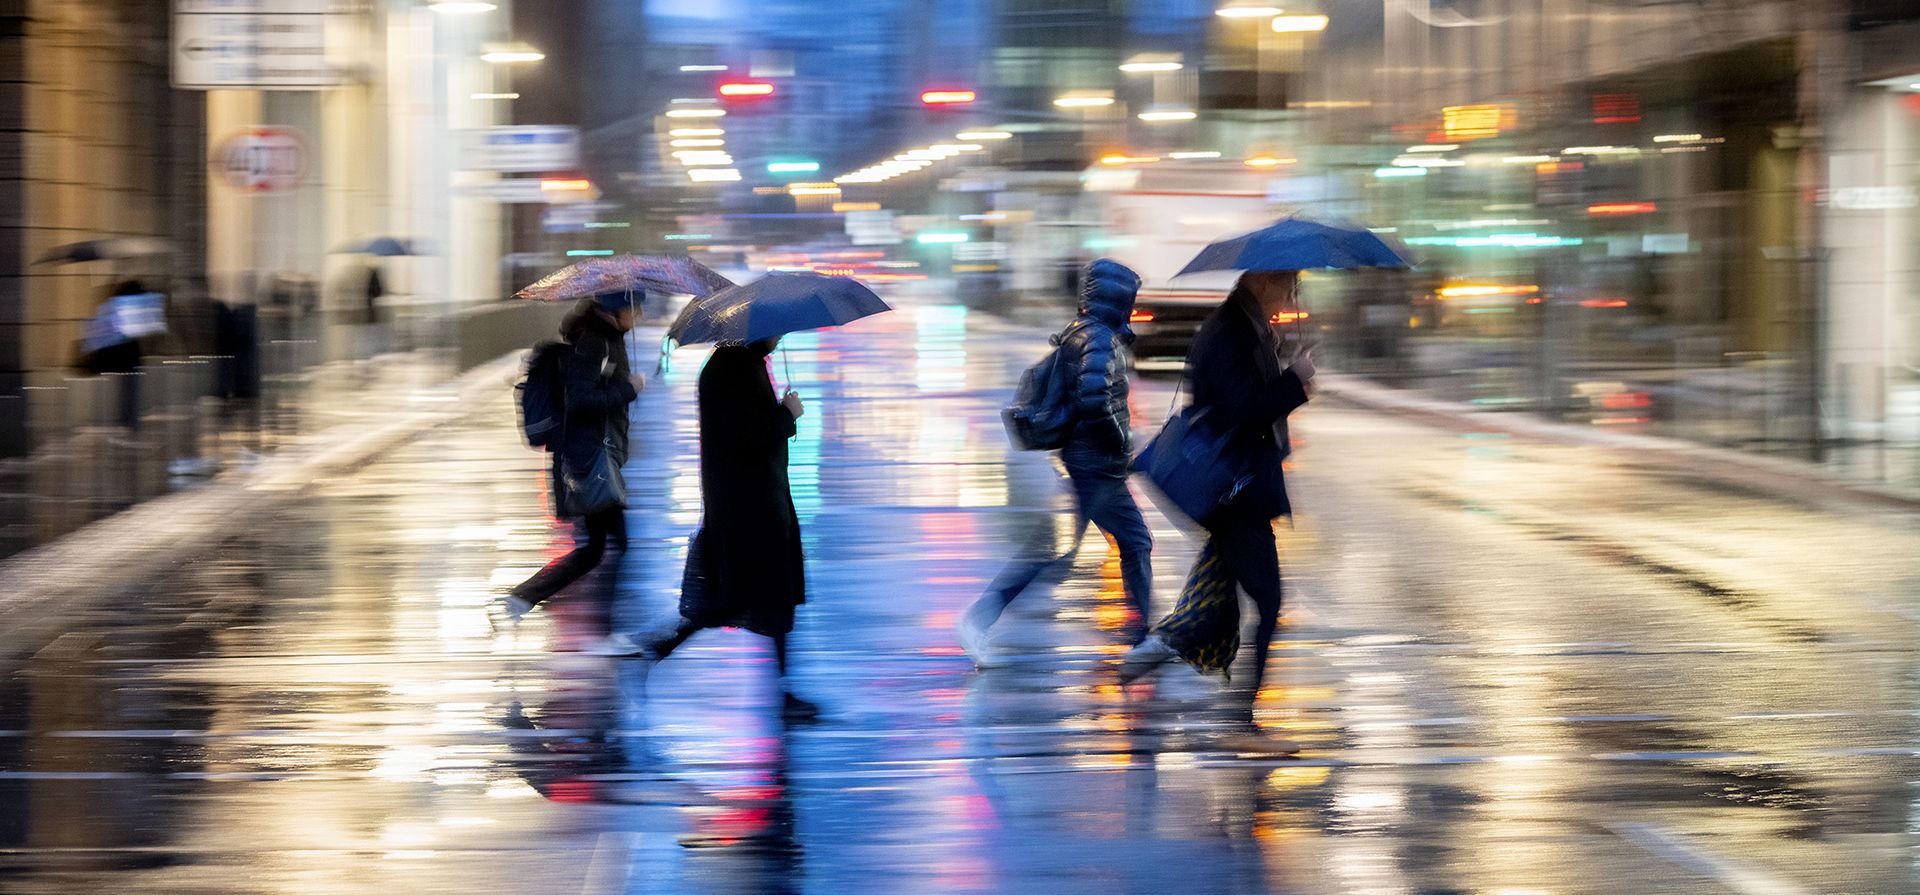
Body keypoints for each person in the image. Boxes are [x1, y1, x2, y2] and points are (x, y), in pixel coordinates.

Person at [1122, 270, 1315, 749]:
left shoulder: (1246, 327)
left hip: (1238, 486)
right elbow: (1240, 410)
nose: (1289, 297)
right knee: (1267, 599)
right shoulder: (1230, 332)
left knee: (1221, 596)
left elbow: (1247, 404)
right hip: (1233, 490)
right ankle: (1237, 723)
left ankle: (1147, 656)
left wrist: (1286, 370)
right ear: (1266, 283)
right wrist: (1295, 382)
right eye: (1288, 287)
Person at [601, 337, 819, 721]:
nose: (781, 337)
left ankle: (779, 690)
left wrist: (780, 413)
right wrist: (788, 414)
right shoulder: (736, 368)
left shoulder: (732, 364)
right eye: (776, 331)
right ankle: (656, 648)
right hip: (750, 507)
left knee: (757, 599)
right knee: (746, 598)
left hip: (747, 502)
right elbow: (751, 436)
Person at [956, 259, 1153, 665]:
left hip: (1090, 464)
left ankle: (1143, 636)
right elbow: (1095, 398)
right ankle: (979, 617)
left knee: (1117, 545)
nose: (1133, 308)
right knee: (1074, 551)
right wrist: (1121, 443)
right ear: (1117, 299)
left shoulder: (1085, 333)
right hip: (1094, 466)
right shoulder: (1096, 338)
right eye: (1130, 300)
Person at [496, 290, 646, 623]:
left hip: (593, 454)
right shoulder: (595, 341)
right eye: (636, 308)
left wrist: (624, 388)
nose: (640, 316)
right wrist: (629, 389)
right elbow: (581, 398)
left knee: (593, 550)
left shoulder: (604, 338)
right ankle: (605, 631)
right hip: (589, 457)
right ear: (617, 309)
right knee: (614, 545)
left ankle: (522, 598)